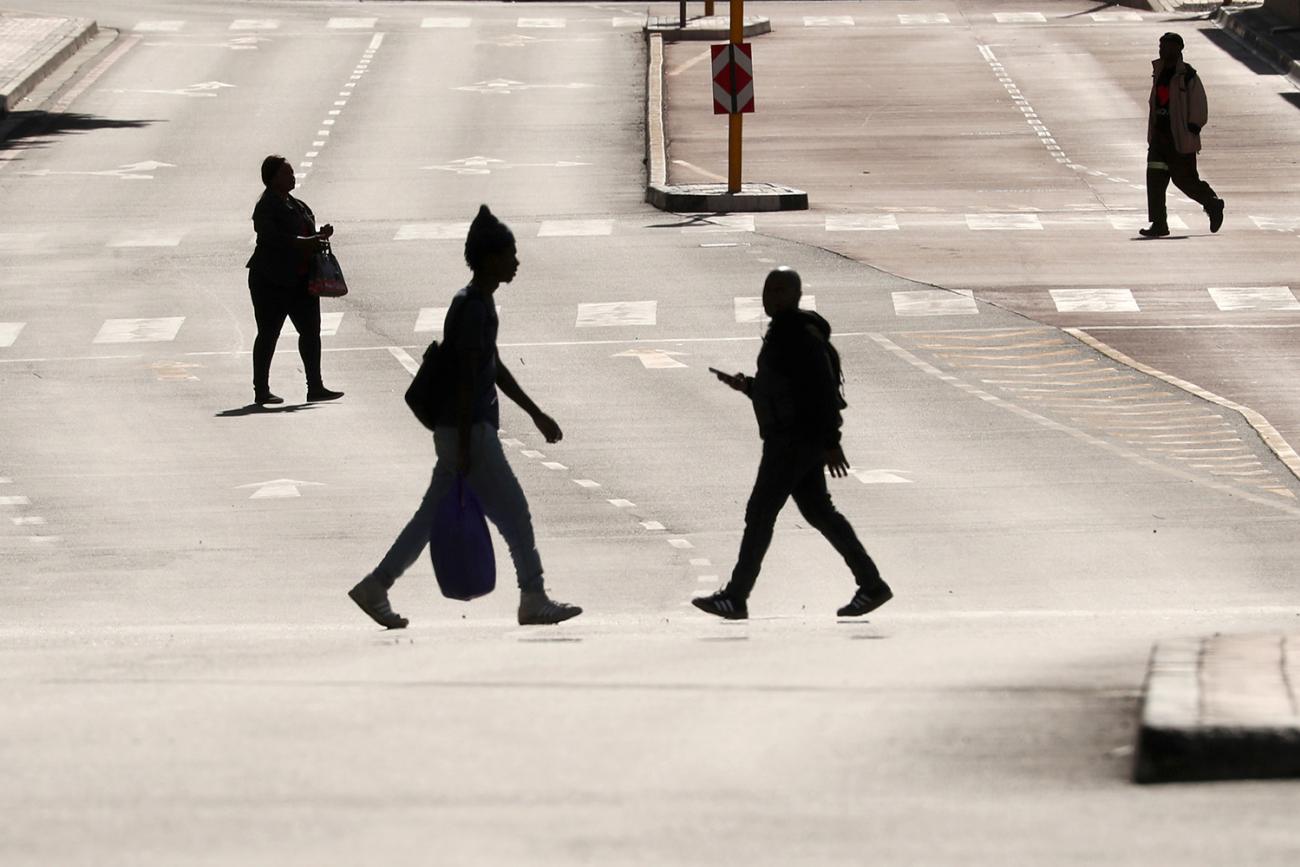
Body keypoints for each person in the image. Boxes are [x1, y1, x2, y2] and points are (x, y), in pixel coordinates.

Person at [349, 205, 582, 628]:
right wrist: (462, 445)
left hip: (461, 430)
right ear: (489, 258)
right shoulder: (473, 307)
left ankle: (376, 586)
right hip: (469, 431)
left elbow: (491, 366)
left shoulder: (478, 303)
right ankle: (533, 596)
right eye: (509, 254)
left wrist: (534, 413)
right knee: (515, 513)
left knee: (429, 519)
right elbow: (463, 378)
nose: (516, 261)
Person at [693, 267, 892, 621]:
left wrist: (831, 441)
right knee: (818, 512)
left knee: (760, 513)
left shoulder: (799, 336)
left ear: (796, 296)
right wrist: (748, 387)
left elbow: (822, 391)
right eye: (768, 290)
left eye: (780, 291)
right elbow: (786, 389)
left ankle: (736, 597)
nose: (771, 297)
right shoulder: (784, 332)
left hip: (793, 441)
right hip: (795, 439)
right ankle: (872, 584)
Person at [245, 154, 344, 405]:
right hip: (271, 280)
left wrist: (320, 235)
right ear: (272, 178)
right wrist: (306, 242)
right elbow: (272, 239)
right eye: (286, 173)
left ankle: (315, 386)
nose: (292, 176)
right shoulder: (266, 206)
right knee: (268, 333)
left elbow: (307, 234)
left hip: (301, 280)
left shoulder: (297, 204)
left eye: (292, 172)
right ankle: (261, 390)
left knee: (311, 332)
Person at [1140, 32, 1224, 238]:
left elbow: (1199, 104)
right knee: (1155, 180)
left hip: (1179, 139)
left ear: (1178, 50)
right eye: (1160, 46)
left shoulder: (1188, 76)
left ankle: (1212, 204)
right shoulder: (1158, 71)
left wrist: (1193, 127)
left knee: (1185, 180)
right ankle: (1159, 224)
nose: (1162, 50)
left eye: (1166, 46)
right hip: (1159, 139)